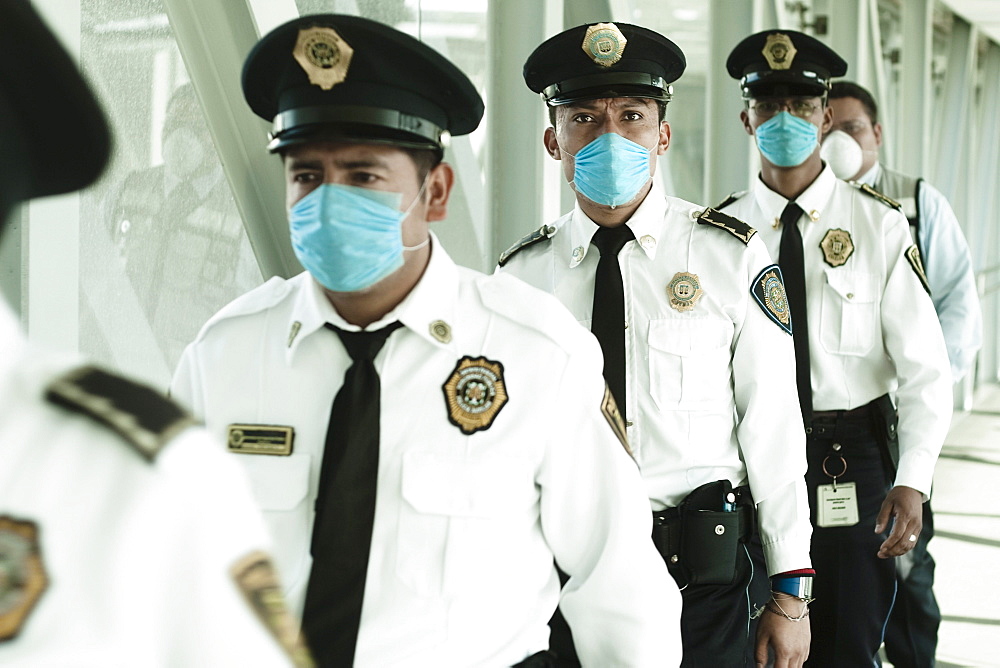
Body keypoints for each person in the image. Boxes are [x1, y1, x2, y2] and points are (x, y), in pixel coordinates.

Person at [169, 14, 680, 667]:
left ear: (435, 192)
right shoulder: (225, 355)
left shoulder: (537, 353)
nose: (327, 201)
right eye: (305, 176)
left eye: (363, 177)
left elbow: (620, 588)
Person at [0, 2, 310, 666]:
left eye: (189, 126)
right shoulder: (137, 189)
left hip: (183, 354)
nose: (178, 137)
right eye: (172, 125)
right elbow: (106, 270)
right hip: (125, 341)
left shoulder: (134, 475)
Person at [498, 22, 813, 668]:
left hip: (701, 582)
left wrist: (790, 592)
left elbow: (774, 427)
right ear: (552, 139)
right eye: (583, 117)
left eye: (632, 116)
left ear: (662, 135)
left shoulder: (728, 256)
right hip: (562, 581)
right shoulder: (518, 280)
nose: (608, 136)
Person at [717, 30, 953, 667]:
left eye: (801, 105)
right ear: (746, 118)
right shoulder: (723, 234)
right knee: (758, 640)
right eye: (768, 106)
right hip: (753, 465)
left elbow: (927, 369)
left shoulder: (878, 225)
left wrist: (915, 479)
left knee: (848, 641)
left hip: (851, 460)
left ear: (826, 116)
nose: (784, 120)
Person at [823, 80, 982, 668]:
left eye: (852, 128)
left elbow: (958, 309)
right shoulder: (793, 213)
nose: (838, 140)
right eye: (827, 126)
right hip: (824, 428)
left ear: (877, 134)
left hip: (893, 424)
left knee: (908, 566)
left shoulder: (912, 204)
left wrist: (924, 403)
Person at [105, 82, 260, 369]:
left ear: (218, 131)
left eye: (195, 125)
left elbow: (251, 315)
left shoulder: (244, 211)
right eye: (174, 123)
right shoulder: (126, 191)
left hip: (196, 380)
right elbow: (95, 272)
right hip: (121, 364)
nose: (180, 135)